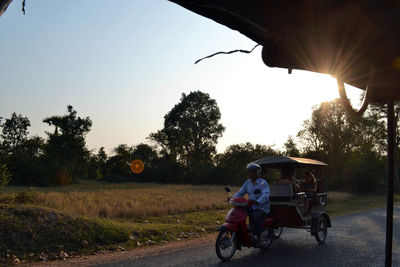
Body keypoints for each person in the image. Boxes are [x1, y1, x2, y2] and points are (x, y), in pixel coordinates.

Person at [233, 162, 270, 245]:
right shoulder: (247, 182)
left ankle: (258, 236)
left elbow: (265, 194)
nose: (251, 174)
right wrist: (233, 198)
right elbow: (240, 192)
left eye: (253, 172)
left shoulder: (263, 183)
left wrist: (258, 201)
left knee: (256, 216)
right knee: (239, 213)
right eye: (250, 172)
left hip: (262, 207)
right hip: (250, 205)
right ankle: (243, 231)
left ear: (257, 173)